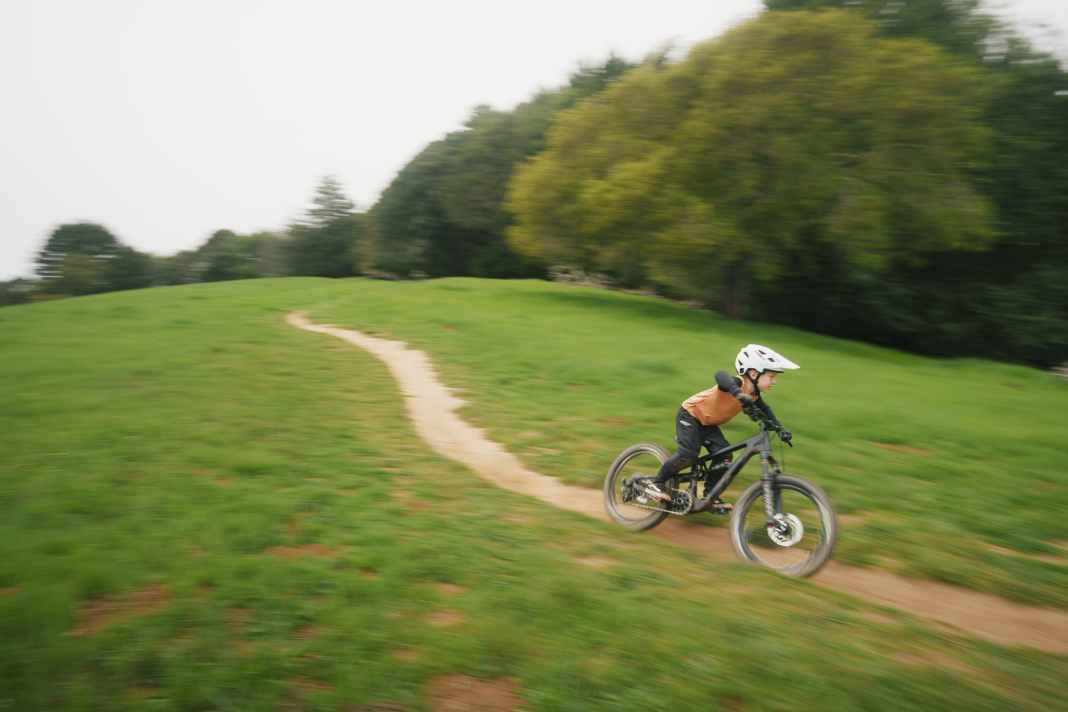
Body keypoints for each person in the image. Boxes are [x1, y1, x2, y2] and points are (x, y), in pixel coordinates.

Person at [644, 344, 799, 509]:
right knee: (688, 454)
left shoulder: (754, 396)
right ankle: (656, 482)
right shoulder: (736, 383)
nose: (774, 381)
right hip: (690, 415)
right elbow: (720, 376)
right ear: (753, 373)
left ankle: (710, 497)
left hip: (708, 425)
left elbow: (766, 410)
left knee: (725, 456)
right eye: (771, 376)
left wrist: (780, 429)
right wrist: (737, 393)